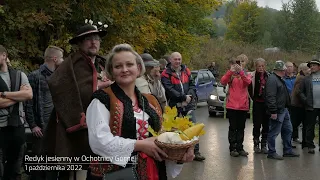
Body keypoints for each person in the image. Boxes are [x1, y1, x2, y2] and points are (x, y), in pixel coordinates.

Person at [86, 44, 194, 179]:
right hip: (115, 175)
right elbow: (99, 141)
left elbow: (161, 141)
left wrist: (179, 156)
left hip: (152, 172)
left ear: (138, 68)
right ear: (111, 71)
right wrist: (141, 145)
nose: (124, 70)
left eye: (129, 64)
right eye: (118, 66)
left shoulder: (150, 101)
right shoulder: (101, 100)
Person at [44, 24, 110, 180]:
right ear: (80, 43)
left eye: (96, 39)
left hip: (101, 125)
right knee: (76, 169)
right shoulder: (72, 64)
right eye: (88, 39)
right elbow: (56, 84)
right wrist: (99, 86)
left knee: (96, 170)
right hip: (77, 125)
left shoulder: (103, 64)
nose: (94, 42)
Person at [25, 46, 64, 180]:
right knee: (39, 165)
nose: (63, 61)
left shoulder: (58, 77)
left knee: (53, 166)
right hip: (41, 129)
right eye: (61, 58)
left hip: (55, 128)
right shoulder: (34, 76)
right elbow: (28, 104)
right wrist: (33, 125)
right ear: (55, 58)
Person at [161, 52, 205, 161]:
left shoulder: (186, 70)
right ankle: (177, 153)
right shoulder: (165, 74)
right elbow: (169, 90)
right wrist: (183, 97)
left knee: (193, 127)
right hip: (174, 106)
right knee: (175, 130)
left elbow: (192, 85)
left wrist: (189, 96)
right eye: (175, 59)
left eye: (179, 59)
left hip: (188, 104)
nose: (178, 61)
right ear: (170, 60)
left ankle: (195, 152)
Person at [0, 45, 33, 180]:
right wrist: (19, 97)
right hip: (0, 127)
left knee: (14, 167)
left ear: (4, 55)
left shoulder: (20, 75)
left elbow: (29, 95)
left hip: (16, 127)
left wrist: (4, 94)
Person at [265, 60, 299, 160]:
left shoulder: (279, 79)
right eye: (284, 69)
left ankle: (287, 150)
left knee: (288, 130)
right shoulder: (272, 80)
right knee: (274, 132)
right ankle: (271, 152)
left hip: (284, 110)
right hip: (278, 111)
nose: (286, 71)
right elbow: (270, 96)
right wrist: (273, 111)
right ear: (281, 70)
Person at [220, 55, 251, 157]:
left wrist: (241, 72)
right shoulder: (231, 74)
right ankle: (232, 148)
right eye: (239, 61)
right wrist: (230, 71)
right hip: (232, 105)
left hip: (243, 105)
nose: (240, 63)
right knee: (233, 127)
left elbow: (248, 82)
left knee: (241, 127)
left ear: (246, 63)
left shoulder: (246, 74)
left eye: (243, 61)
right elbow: (223, 82)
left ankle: (240, 147)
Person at [248, 58, 270, 154]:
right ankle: (256, 143)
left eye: (262, 66)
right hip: (257, 102)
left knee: (266, 124)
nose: (261, 68)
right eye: (259, 66)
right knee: (257, 124)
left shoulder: (268, 75)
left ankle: (264, 144)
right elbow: (249, 88)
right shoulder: (252, 75)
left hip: (266, 103)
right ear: (255, 67)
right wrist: (252, 98)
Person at [299, 59, 320, 154]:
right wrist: (306, 100)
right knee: (310, 127)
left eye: (314, 65)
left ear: (319, 67)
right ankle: (310, 145)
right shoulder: (306, 79)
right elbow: (300, 91)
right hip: (311, 107)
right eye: (311, 65)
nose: (312, 67)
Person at [291, 63, 310, 149]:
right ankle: (289, 140)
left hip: (300, 104)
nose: (309, 70)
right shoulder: (301, 78)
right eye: (308, 68)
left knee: (301, 123)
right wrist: (306, 100)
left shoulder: (302, 77)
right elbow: (299, 92)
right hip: (298, 105)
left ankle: (304, 142)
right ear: (303, 70)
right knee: (295, 123)